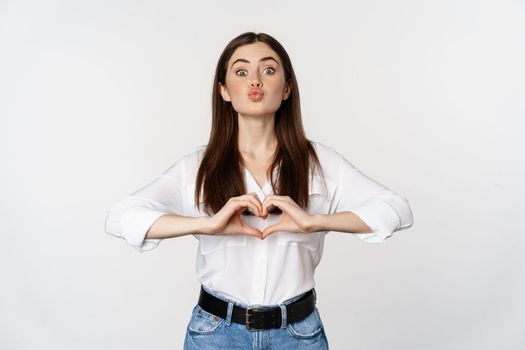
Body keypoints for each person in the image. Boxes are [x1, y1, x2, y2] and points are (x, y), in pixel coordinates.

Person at [105, 31, 414, 350]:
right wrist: (205, 225)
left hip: (298, 335)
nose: (255, 80)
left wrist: (316, 222)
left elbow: (396, 210)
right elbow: (121, 217)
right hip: (216, 335)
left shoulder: (320, 163)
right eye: (241, 72)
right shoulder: (197, 166)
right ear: (223, 90)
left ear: (287, 88)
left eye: (268, 70)